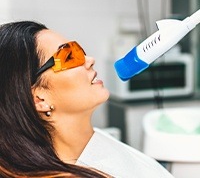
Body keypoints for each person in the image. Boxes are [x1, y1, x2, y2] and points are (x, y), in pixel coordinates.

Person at [0, 21, 174, 178]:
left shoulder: (94, 142)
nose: (90, 60)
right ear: (39, 99)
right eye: (69, 56)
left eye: (79, 51)